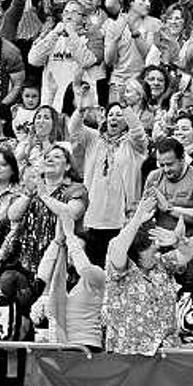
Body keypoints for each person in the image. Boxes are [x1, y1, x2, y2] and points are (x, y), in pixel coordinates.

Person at [103, 196, 193, 355]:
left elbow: (187, 254)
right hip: (128, 354)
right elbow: (117, 246)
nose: (158, 251)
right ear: (139, 250)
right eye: (153, 249)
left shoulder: (163, 263)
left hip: (166, 352)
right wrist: (138, 217)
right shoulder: (120, 270)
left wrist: (177, 241)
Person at [69, 100, 147, 268]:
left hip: (122, 219)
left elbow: (138, 132)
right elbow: (74, 130)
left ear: (126, 119)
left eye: (120, 115)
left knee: (120, 270)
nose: (114, 118)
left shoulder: (134, 144)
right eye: (111, 114)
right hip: (94, 217)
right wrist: (82, 108)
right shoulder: (94, 138)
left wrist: (126, 107)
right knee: (95, 270)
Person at [1, 145, 87, 275]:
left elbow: (73, 213)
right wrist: (28, 194)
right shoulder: (35, 187)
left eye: (56, 157)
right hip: (26, 264)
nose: (49, 160)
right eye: (47, 157)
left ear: (68, 166)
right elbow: (12, 215)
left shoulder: (75, 189)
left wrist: (44, 196)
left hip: (58, 264)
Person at [34, 215, 104, 349]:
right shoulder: (61, 278)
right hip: (60, 345)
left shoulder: (96, 275)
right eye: (68, 249)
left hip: (87, 347)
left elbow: (83, 267)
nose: (71, 252)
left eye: (76, 249)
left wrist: (71, 236)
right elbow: (42, 274)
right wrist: (58, 241)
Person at [143, 138, 193, 238]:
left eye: (170, 164)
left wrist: (169, 209)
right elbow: (145, 211)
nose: (166, 170)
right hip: (163, 239)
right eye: (161, 165)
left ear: (182, 158)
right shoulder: (154, 177)